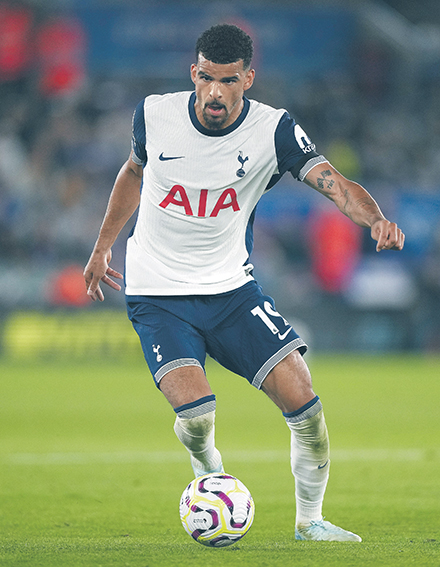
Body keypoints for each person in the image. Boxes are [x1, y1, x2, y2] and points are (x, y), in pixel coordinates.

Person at [84, 24, 405, 542]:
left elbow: (337, 185)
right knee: (197, 414)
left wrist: (374, 220)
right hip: (159, 292)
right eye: (206, 78)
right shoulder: (154, 114)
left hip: (232, 292)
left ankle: (310, 522)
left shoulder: (273, 131)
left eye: (228, 81)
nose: (215, 91)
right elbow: (133, 172)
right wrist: (102, 248)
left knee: (306, 404)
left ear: (248, 79)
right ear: (193, 72)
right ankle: (208, 475)